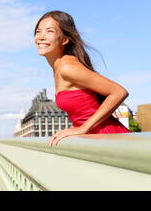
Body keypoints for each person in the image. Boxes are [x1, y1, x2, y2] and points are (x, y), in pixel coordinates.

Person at [34, 10, 131, 147]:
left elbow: (119, 92)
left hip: (107, 138)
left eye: (49, 31)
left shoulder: (67, 67)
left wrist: (83, 128)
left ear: (65, 39)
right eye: (38, 31)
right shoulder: (58, 66)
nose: (41, 37)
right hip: (95, 140)